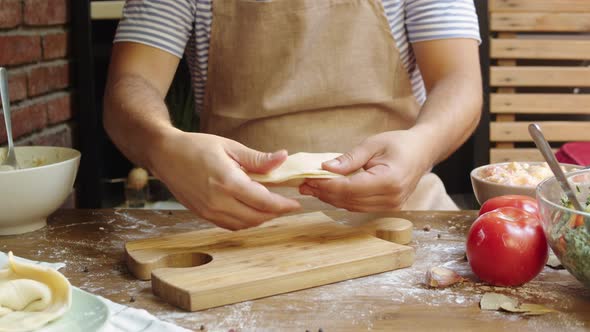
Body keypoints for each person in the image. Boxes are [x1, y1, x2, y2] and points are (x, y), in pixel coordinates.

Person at [103, 0, 483, 230]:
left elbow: (459, 80)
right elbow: (130, 85)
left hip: (403, 216)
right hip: (232, 224)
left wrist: (423, 143)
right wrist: (163, 144)